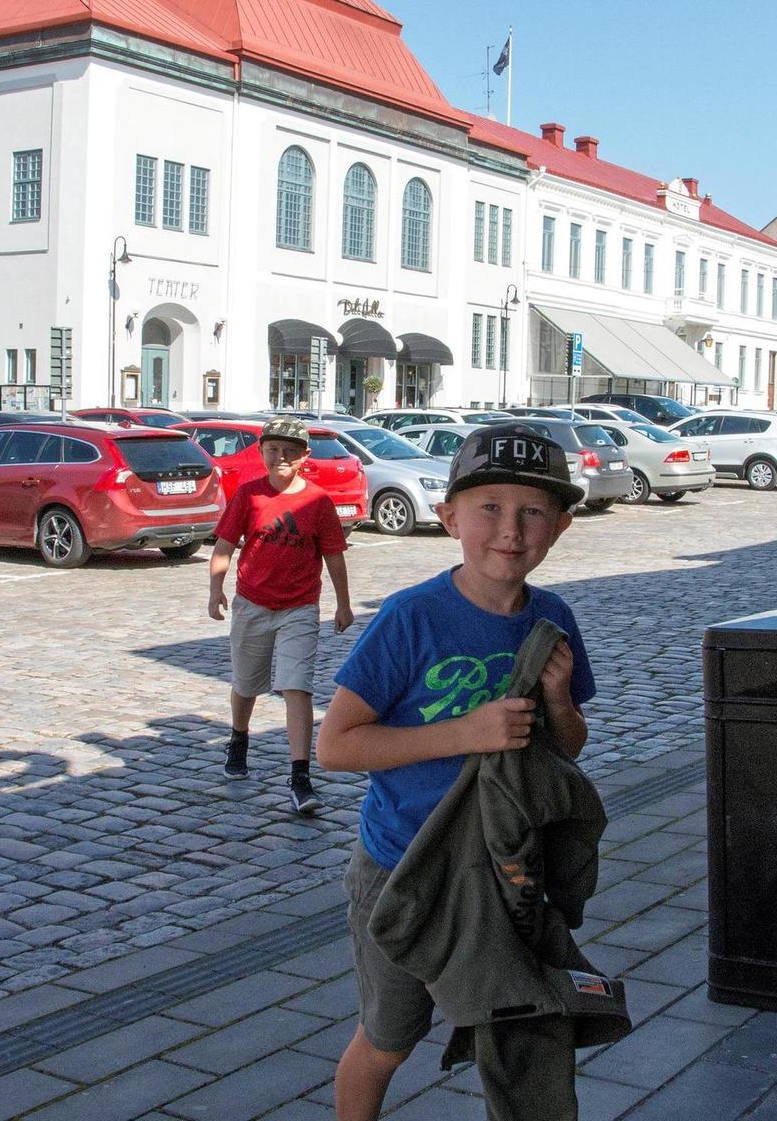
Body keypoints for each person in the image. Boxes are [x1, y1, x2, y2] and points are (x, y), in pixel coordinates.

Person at [316, 424, 595, 1121]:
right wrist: (462, 734)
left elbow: (568, 751)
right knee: (387, 1038)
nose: (511, 529)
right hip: (405, 870)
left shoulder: (553, 620)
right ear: (449, 519)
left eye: (532, 511)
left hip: (505, 872)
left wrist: (558, 700)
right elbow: (336, 746)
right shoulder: (413, 618)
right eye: (489, 508)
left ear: (559, 527)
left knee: (521, 1035)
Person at [207, 416, 353, 814]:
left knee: (297, 686)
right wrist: (215, 589)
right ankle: (239, 740)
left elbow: (333, 555)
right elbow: (224, 546)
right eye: (273, 449)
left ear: (304, 456)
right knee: (247, 683)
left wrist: (343, 602)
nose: (281, 457)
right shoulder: (249, 495)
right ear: (262, 453)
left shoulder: (318, 501)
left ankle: (300, 776)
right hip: (253, 603)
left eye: (290, 451)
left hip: (300, 607)